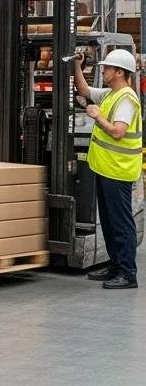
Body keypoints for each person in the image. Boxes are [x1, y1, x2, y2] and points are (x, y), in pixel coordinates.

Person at [73, 48, 142, 289]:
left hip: (118, 170)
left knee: (121, 222)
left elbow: (118, 131)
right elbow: (84, 91)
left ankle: (127, 272)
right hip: (105, 168)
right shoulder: (111, 94)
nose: (103, 71)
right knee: (110, 221)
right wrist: (78, 66)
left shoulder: (126, 99)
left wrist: (97, 116)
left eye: (107, 68)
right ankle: (115, 265)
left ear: (120, 72)